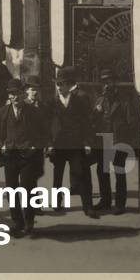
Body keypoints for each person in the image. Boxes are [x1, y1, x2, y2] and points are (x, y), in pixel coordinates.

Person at [0, 78, 47, 236]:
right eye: (12, 94)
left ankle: (29, 221)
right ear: (9, 96)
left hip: (28, 157)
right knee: (11, 190)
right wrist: (0, 145)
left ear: (23, 94)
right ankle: (18, 222)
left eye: (17, 93)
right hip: (10, 156)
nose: (15, 97)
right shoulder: (2, 112)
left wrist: (35, 146)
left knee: (27, 189)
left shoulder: (33, 112)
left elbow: (44, 133)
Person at [49, 66, 98, 218]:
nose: (59, 87)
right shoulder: (53, 102)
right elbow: (47, 124)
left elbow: (87, 123)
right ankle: (57, 202)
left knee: (82, 174)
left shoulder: (80, 100)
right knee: (58, 175)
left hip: (76, 144)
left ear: (69, 85)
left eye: (62, 84)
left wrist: (88, 142)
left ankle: (88, 206)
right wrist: (49, 144)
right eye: (57, 84)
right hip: (59, 144)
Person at [93, 72, 138, 214]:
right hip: (104, 140)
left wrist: (128, 141)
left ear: (115, 83)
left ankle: (120, 204)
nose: (107, 85)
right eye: (104, 82)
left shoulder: (124, 100)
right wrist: (96, 112)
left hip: (120, 140)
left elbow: (132, 122)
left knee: (119, 171)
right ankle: (105, 201)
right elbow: (93, 121)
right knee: (102, 171)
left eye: (109, 82)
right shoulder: (100, 100)